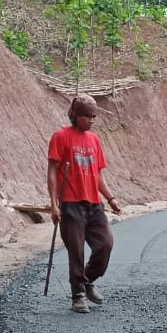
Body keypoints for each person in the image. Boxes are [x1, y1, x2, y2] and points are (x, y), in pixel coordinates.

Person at [47, 95, 123, 313]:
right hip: (71, 203)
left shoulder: (94, 140)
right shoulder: (61, 137)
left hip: (94, 203)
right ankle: (77, 295)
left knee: (105, 244)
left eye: (93, 116)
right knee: (76, 250)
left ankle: (86, 280)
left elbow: (98, 174)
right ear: (75, 115)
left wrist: (110, 198)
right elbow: (52, 171)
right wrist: (54, 204)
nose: (91, 120)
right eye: (87, 116)